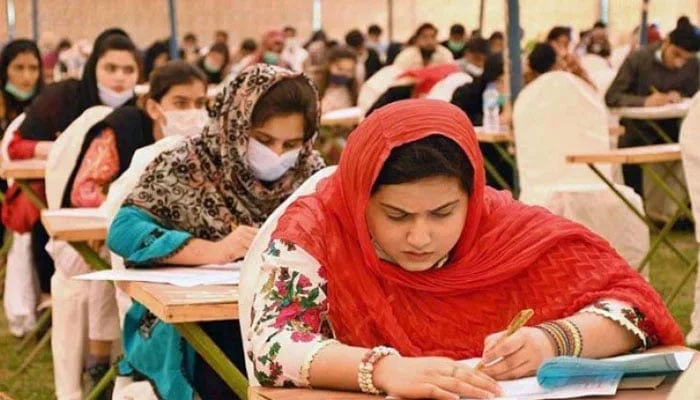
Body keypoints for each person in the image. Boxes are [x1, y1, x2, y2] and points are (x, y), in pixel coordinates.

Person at [247, 99, 682, 399]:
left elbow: (633, 304)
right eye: (396, 216)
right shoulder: (318, 230)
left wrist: (555, 340)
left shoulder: (504, 229)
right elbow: (273, 343)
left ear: (472, 196)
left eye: (443, 213)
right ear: (360, 197)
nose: (420, 237)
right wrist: (383, 369)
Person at [106, 64, 326, 400]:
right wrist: (214, 250)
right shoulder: (188, 163)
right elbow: (124, 232)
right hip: (195, 327)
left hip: (283, 316)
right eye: (264, 140)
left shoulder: (309, 174)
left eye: (291, 143)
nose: (278, 155)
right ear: (236, 125)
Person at [3, 29, 140, 321]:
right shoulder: (64, 97)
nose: (119, 77)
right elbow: (16, 145)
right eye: (111, 68)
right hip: (63, 199)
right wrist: (63, 148)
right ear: (94, 68)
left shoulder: (139, 110)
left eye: (129, 70)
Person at [605, 22, 700, 195]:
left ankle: (683, 218)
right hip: (638, 132)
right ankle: (637, 213)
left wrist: (678, 96)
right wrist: (645, 101)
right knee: (630, 153)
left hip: (675, 132)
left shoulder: (694, 65)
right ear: (666, 42)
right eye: (676, 54)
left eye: (686, 59)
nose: (679, 63)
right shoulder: (638, 59)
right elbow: (612, 97)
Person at [451, 54, 513, 189]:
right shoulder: (467, 93)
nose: (504, 85)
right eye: (501, 80)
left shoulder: (516, 93)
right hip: (479, 152)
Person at [319, 46, 359, 113]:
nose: (344, 74)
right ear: (329, 65)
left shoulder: (353, 91)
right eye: (340, 69)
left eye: (349, 71)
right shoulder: (315, 87)